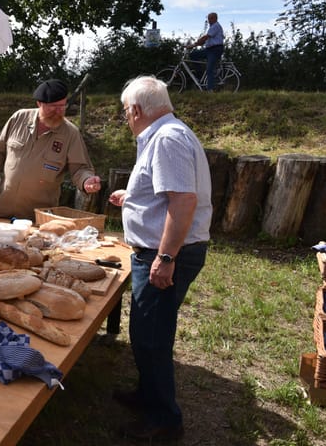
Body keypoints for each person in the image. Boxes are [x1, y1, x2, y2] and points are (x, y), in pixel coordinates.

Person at [109, 76, 212, 441]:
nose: (126, 119)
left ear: (136, 110)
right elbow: (166, 193)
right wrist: (133, 197)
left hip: (166, 252)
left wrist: (166, 257)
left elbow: (183, 201)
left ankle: (165, 420)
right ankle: (148, 395)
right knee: (145, 332)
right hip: (161, 250)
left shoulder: (167, 139)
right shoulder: (167, 134)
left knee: (152, 337)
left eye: (125, 113)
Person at [0, 79, 102, 221]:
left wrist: (86, 180)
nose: (58, 111)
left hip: (38, 219)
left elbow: (80, 169)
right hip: (3, 212)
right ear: (39, 103)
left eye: (62, 106)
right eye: (53, 106)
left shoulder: (70, 133)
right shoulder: (19, 118)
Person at [187, 12, 224, 91]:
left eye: (210, 18)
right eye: (208, 18)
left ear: (215, 18)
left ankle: (210, 90)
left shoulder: (215, 26)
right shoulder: (212, 27)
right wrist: (197, 44)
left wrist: (194, 44)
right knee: (193, 55)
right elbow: (206, 40)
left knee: (209, 69)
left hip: (215, 50)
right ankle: (200, 74)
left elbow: (206, 37)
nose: (209, 20)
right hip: (209, 50)